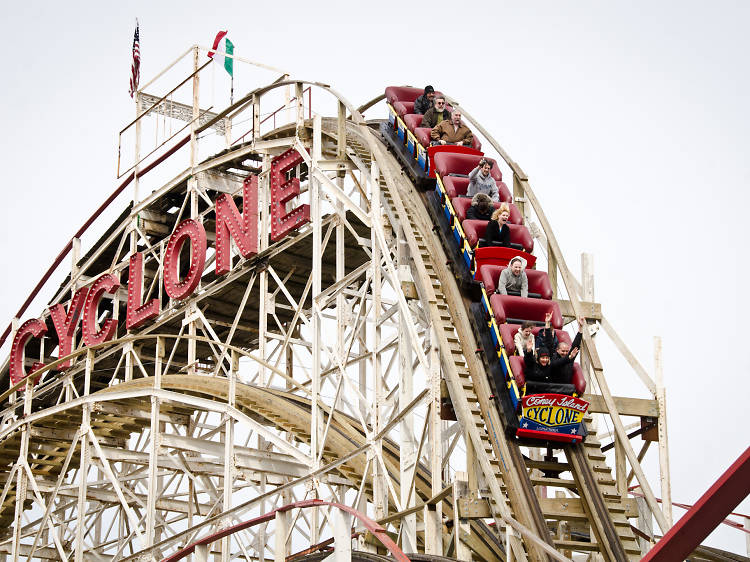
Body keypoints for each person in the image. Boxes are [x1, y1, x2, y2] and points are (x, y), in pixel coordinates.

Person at [549, 317, 585, 385]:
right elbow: (557, 363)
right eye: (563, 351)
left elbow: (575, 346)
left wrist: (580, 328)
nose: (565, 353)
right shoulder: (553, 357)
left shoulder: (570, 356)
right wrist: (569, 358)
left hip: (566, 388)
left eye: (566, 351)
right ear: (557, 350)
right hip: (553, 387)